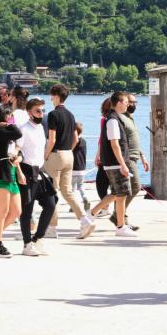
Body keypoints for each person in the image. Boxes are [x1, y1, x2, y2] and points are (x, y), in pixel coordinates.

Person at [43, 84, 95, 239]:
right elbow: (76, 138)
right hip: (68, 156)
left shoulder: (53, 115)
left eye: (52, 95)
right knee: (67, 192)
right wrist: (69, 150)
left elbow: (51, 139)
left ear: (57, 95)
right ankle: (85, 220)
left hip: (56, 155)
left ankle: (52, 228)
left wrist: (45, 155)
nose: (50, 98)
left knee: (51, 193)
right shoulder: (71, 115)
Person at [89, 91, 137, 237]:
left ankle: (92, 216)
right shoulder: (112, 120)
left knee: (118, 194)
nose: (128, 104)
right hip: (116, 163)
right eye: (125, 101)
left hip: (115, 163)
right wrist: (123, 164)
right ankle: (119, 226)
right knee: (120, 194)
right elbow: (115, 144)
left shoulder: (115, 118)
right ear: (118, 102)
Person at [0, 105, 26, 258]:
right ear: (3, 118)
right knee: (2, 212)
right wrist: (8, 123)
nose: (12, 120)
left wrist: (20, 171)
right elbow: (18, 132)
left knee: (16, 212)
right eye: (9, 117)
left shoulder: (5, 132)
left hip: (10, 173)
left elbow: (15, 152)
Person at [18, 98, 57, 256]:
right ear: (29, 112)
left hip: (40, 172)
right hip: (26, 172)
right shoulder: (23, 129)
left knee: (51, 203)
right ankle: (27, 244)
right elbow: (17, 151)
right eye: (38, 111)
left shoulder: (41, 128)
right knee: (26, 211)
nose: (41, 113)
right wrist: (19, 173)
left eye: (43, 110)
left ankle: (37, 238)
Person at [117, 93, 149, 229]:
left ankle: (121, 217)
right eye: (130, 102)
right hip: (127, 158)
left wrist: (143, 157)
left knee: (126, 190)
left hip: (135, 157)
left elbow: (134, 139)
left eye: (135, 102)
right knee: (135, 187)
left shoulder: (130, 118)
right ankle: (118, 215)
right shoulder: (120, 118)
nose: (133, 105)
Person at [93, 98, 112, 217]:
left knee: (101, 184)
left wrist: (98, 154)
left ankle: (105, 207)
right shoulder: (105, 120)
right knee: (102, 183)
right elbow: (101, 139)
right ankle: (106, 207)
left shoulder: (106, 120)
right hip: (106, 155)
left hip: (107, 156)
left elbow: (101, 139)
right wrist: (98, 154)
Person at [71, 122, 89, 211]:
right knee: (81, 186)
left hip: (73, 169)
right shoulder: (84, 142)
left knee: (72, 188)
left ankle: (73, 206)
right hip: (82, 168)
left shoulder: (72, 142)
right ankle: (85, 198)